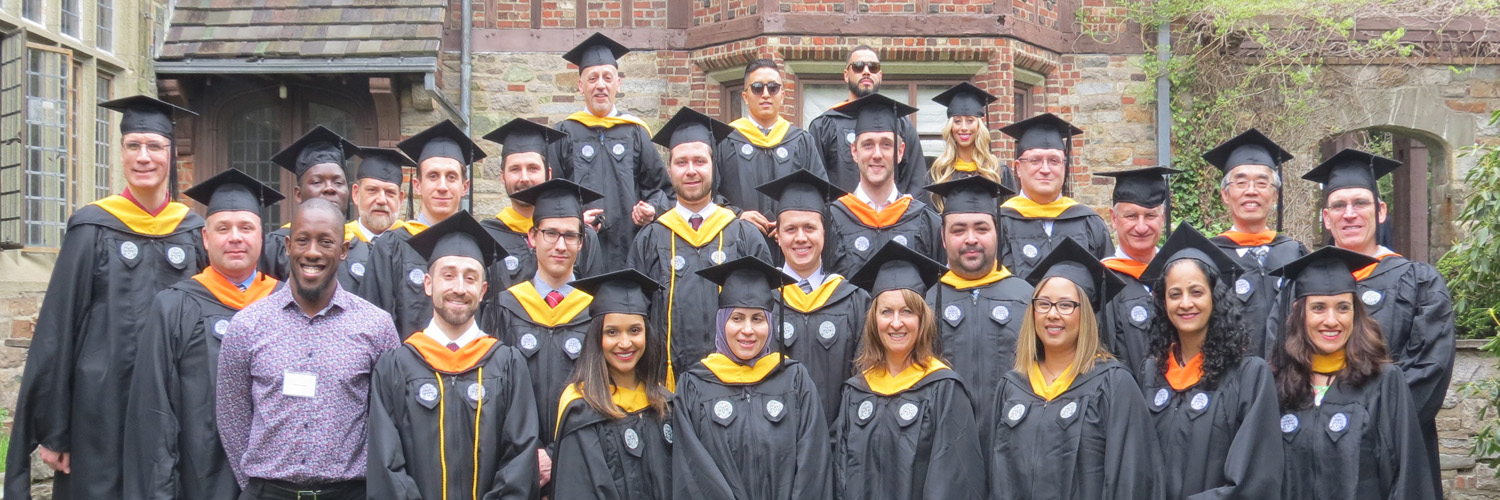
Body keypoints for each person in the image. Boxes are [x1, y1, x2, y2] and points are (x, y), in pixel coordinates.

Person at [6, 95, 205, 499]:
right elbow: (58, 331)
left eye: (155, 146)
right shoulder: (91, 227)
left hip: (178, 403)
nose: (143, 157)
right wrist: (56, 428)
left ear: (170, 153)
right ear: (120, 153)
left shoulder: (193, 232)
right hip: (99, 407)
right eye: (133, 146)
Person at [216, 199, 400, 500]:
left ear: (343, 250)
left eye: (325, 242)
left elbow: (388, 418)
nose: (312, 252)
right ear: (288, 245)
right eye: (303, 240)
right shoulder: (247, 325)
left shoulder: (376, 326)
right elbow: (232, 418)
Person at [1299, 148, 1454, 496]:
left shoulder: (1420, 282)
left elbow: (1431, 369)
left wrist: (1364, 427)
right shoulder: (1303, 286)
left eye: (1361, 203)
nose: (1349, 214)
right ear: (1326, 217)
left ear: (1381, 211)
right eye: (1339, 206)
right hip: (1312, 451)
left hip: (1393, 448)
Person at [124, 169, 284, 500]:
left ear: (262, 237)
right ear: (205, 238)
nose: (235, 237)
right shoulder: (174, 307)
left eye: (246, 227)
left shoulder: (287, 305)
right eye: (223, 228)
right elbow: (155, 411)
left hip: (277, 481)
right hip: (199, 480)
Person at [367, 212, 541, 500]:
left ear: (483, 290)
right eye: (447, 275)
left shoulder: (508, 365)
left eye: (470, 278)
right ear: (427, 284)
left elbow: (520, 461)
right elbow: (386, 465)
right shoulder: (395, 367)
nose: (459, 288)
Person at [985, 238, 1159, 500]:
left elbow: (1131, 481)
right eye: (1043, 304)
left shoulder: (1113, 384)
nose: (1052, 314)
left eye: (1066, 305)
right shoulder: (1012, 387)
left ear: (1087, 314)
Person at [1270, 247, 1433, 499]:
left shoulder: (1383, 381)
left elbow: (1407, 476)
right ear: (1298, 312)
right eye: (1318, 308)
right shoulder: (1278, 385)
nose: (1332, 320)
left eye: (1343, 307)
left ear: (1356, 313)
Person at [1135, 223, 1282, 499]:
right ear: (1163, 303)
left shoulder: (1249, 375)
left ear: (1215, 298)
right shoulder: (1152, 373)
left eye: (1197, 292)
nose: (1185, 303)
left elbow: (1256, 477)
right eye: (1174, 294)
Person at [627, 107, 772, 380]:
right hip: (664, 386)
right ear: (669, 169)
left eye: (699, 161)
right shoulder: (650, 239)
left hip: (737, 386)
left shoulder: (744, 235)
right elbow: (635, 316)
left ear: (713, 166)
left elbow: (766, 314)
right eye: (681, 162)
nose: (691, 171)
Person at [834, 241, 986, 499]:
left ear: (922, 319)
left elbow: (954, 479)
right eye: (886, 312)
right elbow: (840, 475)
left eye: (907, 311)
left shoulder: (944, 389)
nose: (896, 323)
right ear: (873, 320)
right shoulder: (857, 391)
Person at [672, 256, 831, 499]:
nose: (747, 330)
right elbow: (693, 471)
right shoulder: (695, 385)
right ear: (722, 322)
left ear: (769, 324)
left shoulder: (794, 379)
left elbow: (813, 463)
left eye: (757, 318)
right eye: (737, 318)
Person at [485, 179, 602, 453]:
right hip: (515, 455)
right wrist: (530, 453)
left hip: (580, 454)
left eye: (570, 235)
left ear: (582, 242)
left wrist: (556, 452)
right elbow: (493, 389)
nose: (560, 245)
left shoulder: (596, 311)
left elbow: (602, 393)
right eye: (550, 233)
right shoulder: (505, 306)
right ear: (532, 237)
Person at [756, 169, 868, 425]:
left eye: (810, 228)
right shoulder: (761, 298)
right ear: (778, 236)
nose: (801, 238)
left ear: (824, 233)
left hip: (838, 442)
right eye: (791, 229)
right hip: (773, 442)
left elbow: (865, 378)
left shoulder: (854, 301)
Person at [553, 270, 674, 500]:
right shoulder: (582, 410)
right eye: (612, 332)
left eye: (635, 330)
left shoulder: (665, 405)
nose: (625, 342)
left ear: (647, 334)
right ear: (597, 338)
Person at [553, 32, 672, 264]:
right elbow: (554, 194)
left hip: (630, 251)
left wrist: (652, 210)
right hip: (577, 253)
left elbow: (661, 190)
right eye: (592, 78)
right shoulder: (564, 133)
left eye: (607, 78)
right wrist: (574, 221)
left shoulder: (635, 132)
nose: (600, 85)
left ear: (618, 84)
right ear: (580, 85)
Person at [365, 119, 487, 336]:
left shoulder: (480, 249)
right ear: (417, 185)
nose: (442, 186)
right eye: (433, 176)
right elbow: (373, 325)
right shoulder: (391, 246)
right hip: (402, 368)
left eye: (451, 177)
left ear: (464, 187)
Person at [922, 175, 1033, 410]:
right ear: (943, 237)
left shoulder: (1028, 299)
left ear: (997, 233)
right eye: (958, 230)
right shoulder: (926, 303)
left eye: (981, 229)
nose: (970, 239)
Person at [1203, 129, 1305, 356]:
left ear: (1275, 195)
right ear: (1225, 195)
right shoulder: (1208, 257)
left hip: (1290, 381)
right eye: (1240, 183)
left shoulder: (1294, 253)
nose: (1251, 191)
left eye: (1261, 183)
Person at [824, 93, 943, 277]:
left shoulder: (925, 221)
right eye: (868, 145)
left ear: (900, 151)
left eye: (886, 144)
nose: (877, 154)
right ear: (854, 151)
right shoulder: (831, 220)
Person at [481, 118, 602, 290]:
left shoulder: (584, 238)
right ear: (502, 176)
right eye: (515, 169)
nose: (524, 178)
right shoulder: (486, 236)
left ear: (549, 173)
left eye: (533, 168)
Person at [715, 58, 827, 233]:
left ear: (782, 95)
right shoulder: (725, 140)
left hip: (791, 246)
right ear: (745, 96)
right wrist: (736, 216)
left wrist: (793, 224)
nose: (766, 94)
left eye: (773, 88)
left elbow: (820, 194)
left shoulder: (801, 141)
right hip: (738, 241)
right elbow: (710, 195)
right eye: (757, 88)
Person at [996, 113, 1112, 278]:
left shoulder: (1089, 223)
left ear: (1065, 166)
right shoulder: (999, 223)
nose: (1045, 169)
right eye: (1035, 160)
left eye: (1054, 160)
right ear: (1018, 168)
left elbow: (1107, 289)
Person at [808, 45, 928, 203]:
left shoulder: (900, 123)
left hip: (894, 221)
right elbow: (815, 184)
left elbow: (916, 179)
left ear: (880, 75)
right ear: (846, 75)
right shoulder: (824, 125)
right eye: (858, 67)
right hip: (839, 222)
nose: (866, 71)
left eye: (873, 67)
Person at [1094, 166, 1178, 375]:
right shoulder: (1102, 280)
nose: (1141, 227)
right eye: (1131, 216)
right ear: (1114, 219)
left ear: (1162, 217)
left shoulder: (1179, 273)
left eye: (1150, 216)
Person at [259, 126, 362, 288]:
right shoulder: (273, 248)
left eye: (338, 182)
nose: (330, 188)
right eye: (317, 182)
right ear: (298, 194)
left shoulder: (365, 249)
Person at [927, 82, 1016, 202]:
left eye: (970, 120)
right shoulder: (938, 173)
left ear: (980, 123)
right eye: (957, 121)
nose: (963, 127)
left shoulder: (998, 171)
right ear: (950, 126)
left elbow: (1009, 217)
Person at [344, 146, 413, 297]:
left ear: (400, 198)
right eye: (372, 190)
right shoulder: (339, 242)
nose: (381, 200)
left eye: (390, 192)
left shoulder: (415, 245)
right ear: (356, 194)